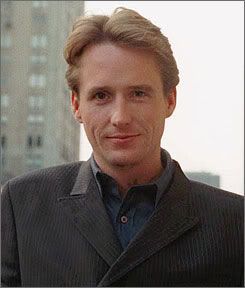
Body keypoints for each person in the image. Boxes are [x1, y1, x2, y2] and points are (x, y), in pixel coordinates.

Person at [1, 7, 243, 287]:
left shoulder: (235, 223)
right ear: (77, 105)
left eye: (138, 94)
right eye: (101, 95)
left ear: (170, 100)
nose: (120, 118)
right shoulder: (21, 205)